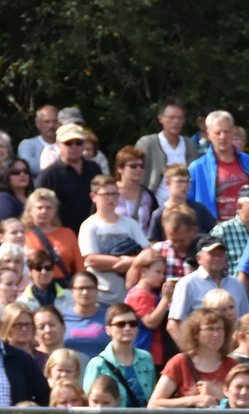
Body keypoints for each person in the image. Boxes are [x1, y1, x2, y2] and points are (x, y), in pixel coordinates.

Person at [78, 173, 149, 302]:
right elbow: (92, 260)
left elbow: (148, 253)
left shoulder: (130, 223)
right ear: (93, 197)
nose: (111, 198)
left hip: (128, 295)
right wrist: (130, 262)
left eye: (114, 194)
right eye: (106, 194)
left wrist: (131, 262)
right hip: (100, 296)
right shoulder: (89, 225)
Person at [186, 110, 249, 227]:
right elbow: (189, 204)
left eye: (226, 132)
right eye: (218, 133)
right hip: (213, 230)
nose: (223, 136)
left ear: (232, 132)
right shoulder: (197, 168)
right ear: (208, 135)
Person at [170, 235, 249, 323]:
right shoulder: (188, 283)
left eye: (221, 254)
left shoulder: (236, 284)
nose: (217, 258)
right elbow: (174, 324)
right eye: (212, 254)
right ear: (199, 258)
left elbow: (245, 320)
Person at [135, 98, 201, 174]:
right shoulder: (147, 143)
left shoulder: (190, 144)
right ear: (160, 118)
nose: (176, 121)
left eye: (180, 118)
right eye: (171, 117)